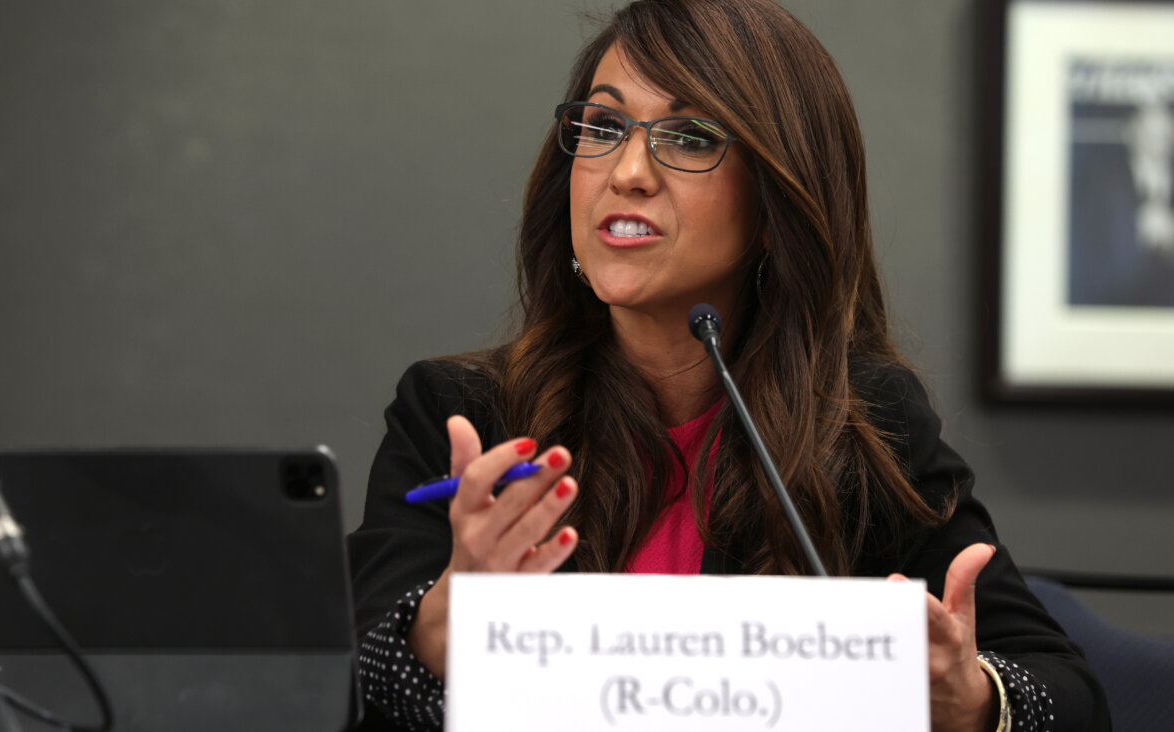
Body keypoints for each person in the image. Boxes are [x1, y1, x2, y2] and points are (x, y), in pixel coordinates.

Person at [347, 0, 1111, 729]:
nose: (629, 172)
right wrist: (436, 636)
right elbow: (341, 687)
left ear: (777, 201)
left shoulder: (863, 428)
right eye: (604, 125)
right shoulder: (466, 419)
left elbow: (1070, 696)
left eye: (688, 137)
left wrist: (970, 702)